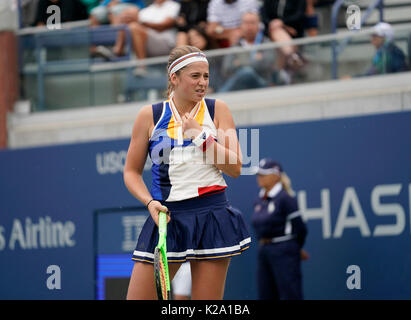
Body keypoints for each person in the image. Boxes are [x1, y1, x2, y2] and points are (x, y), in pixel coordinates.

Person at [124, 45, 251, 300]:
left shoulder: (218, 110)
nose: (202, 82)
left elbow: (235, 167)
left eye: (206, 76)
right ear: (174, 78)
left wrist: (200, 137)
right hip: (167, 218)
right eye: (195, 76)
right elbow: (131, 172)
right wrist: (149, 202)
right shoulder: (150, 115)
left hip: (211, 215)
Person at [252, 158, 309, 300]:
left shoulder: (285, 198)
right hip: (264, 251)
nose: (259, 177)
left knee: (290, 294)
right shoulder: (259, 200)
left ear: (276, 176)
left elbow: (300, 228)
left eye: (263, 174)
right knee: (266, 295)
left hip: (284, 250)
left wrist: (294, 248)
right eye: (258, 174)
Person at [218, 12, 276, 93]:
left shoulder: (266, 43)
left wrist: (240, 63)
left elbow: (268, 64)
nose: (249, 26)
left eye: (252, 23)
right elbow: (226, 69)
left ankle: (221, 97)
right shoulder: (235, 46)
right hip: (240, 88)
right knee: (245, 72)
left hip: (263, 85)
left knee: (247, 72)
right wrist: (256, 60)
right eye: (246, 23)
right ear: (241, 26)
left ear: (259, 26)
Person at [261, 0, 307, 73]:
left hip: (293, 32)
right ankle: (292, 55)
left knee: (280, 50)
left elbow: (299, 15)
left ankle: (282, 74)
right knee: (277, 31)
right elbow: (264, 15)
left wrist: (283, 23)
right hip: (272, 31)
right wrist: (274, 24)